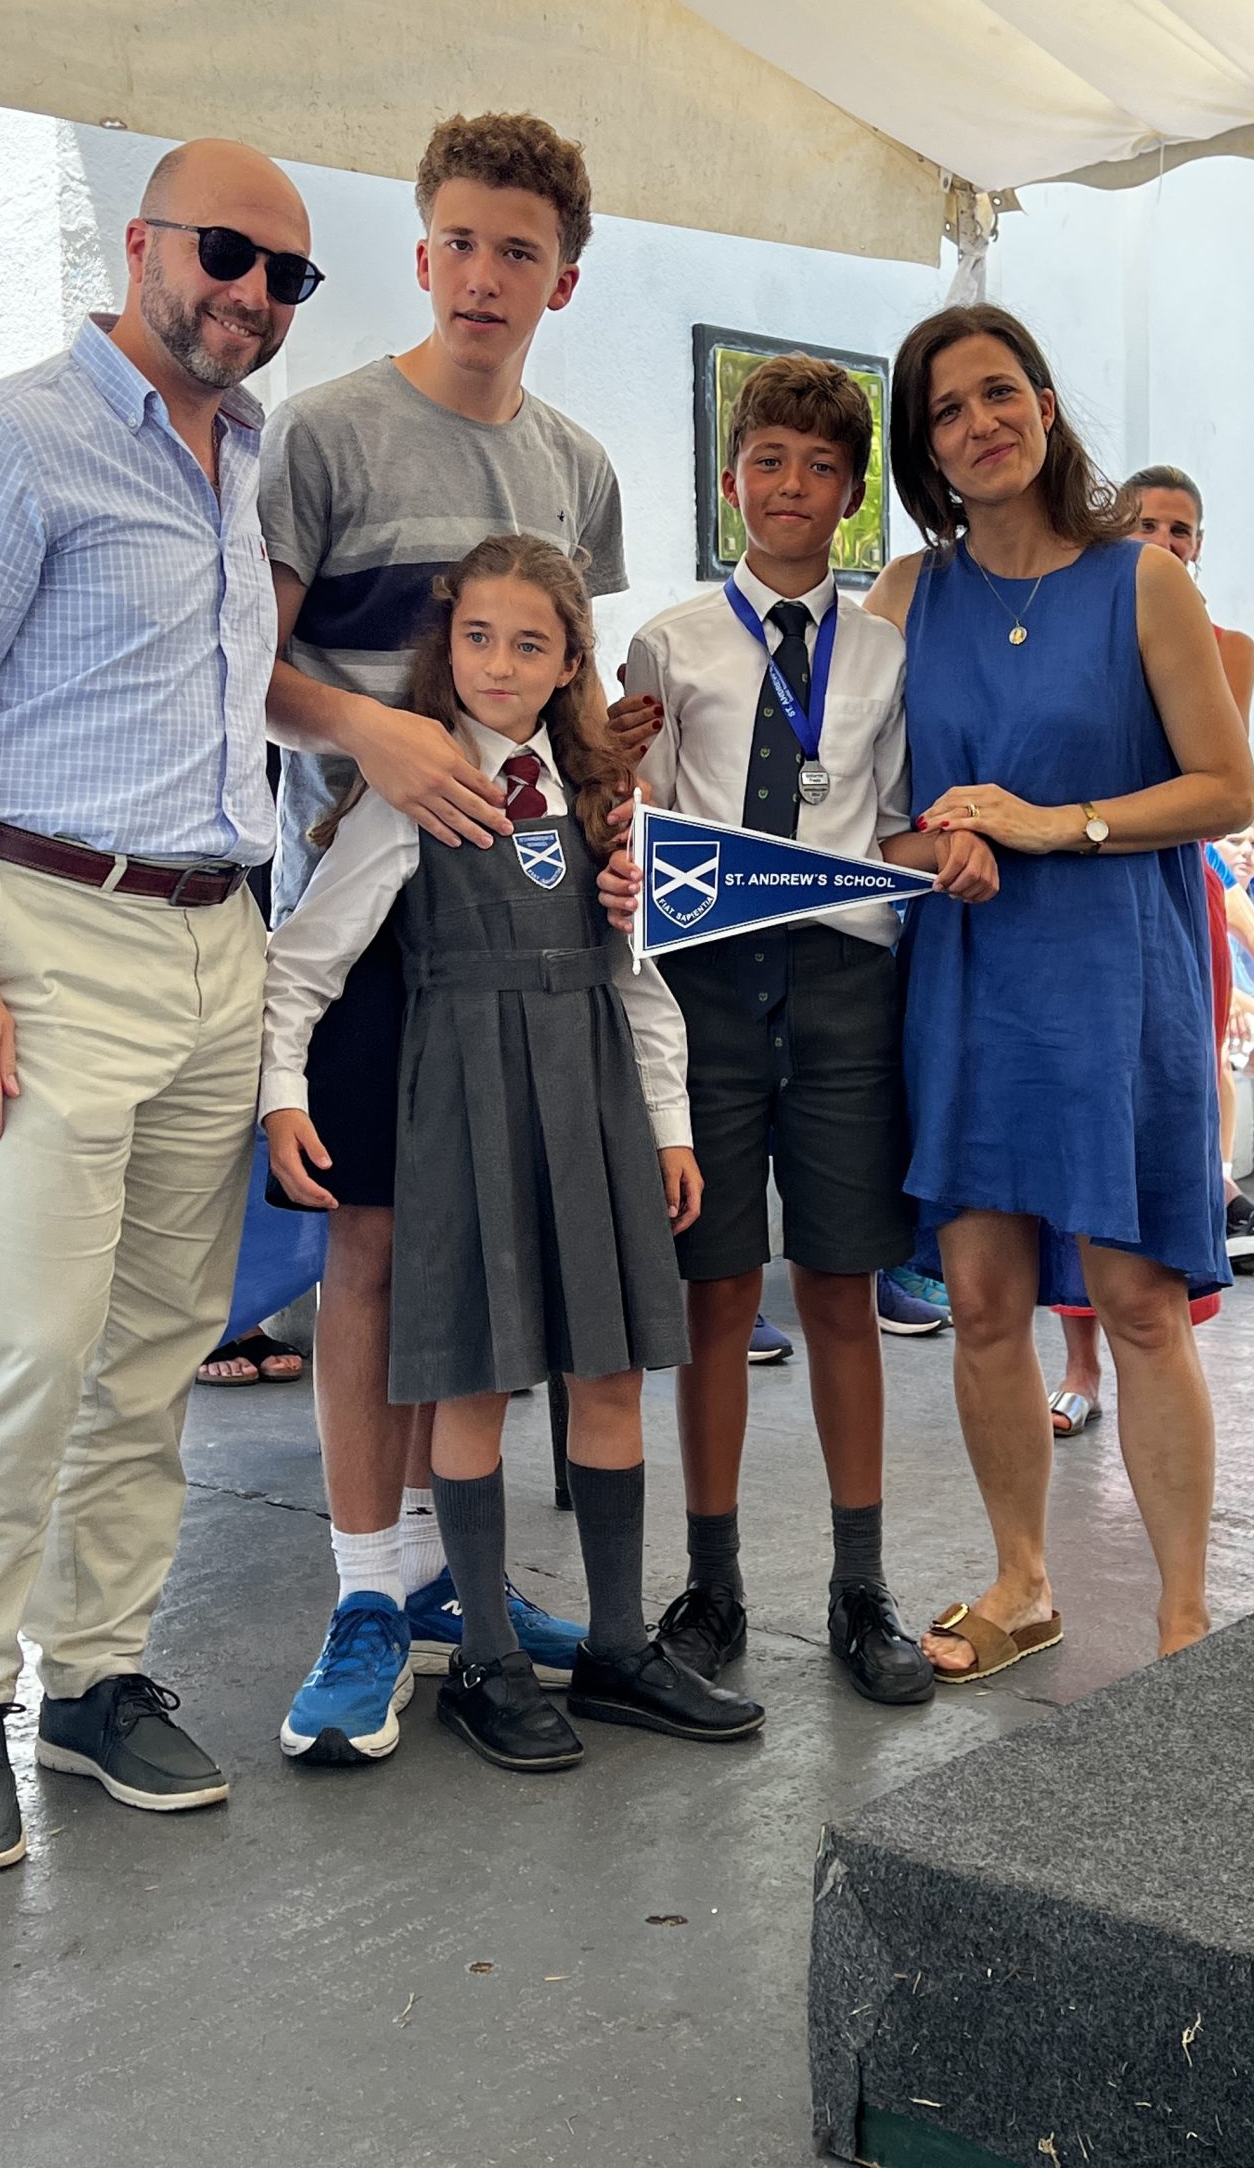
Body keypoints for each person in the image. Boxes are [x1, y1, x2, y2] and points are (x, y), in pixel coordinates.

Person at [0, 139, 318, 1875]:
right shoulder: (12, 441)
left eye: (285, 275)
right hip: (47, 933)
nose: (250, 294)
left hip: (214, 937)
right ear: (146, 241)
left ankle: (92, 1679)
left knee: (160, 1341)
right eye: (225, 252)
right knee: (20, 1340)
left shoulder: (244, 458)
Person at [262, 537, 763, 1769]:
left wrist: (670, 1126)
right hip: (466, 1115)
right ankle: (484, 1656)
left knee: (610, 1373)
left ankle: (617, 1646)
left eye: (530, 642)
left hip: (594, 1113)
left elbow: (639, 980)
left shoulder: (604, 797)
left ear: (571, 660)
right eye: (477, 637)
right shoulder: (413, 789)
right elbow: (306, 960)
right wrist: (281, 1097)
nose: (499, 663)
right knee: (475, 1378)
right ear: (447, 647)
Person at [259, 112, 630, 1756]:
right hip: (368, 924)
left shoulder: (579, 472)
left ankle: (435, 1582)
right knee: (371, 1253)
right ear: (421, 255)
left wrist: (612, 833)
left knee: (468, 1259)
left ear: (564, 278)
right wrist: (380, 737)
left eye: (519, 252)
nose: (484, 276)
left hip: (524, 939)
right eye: (460, 244)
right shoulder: (322, 436)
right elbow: (245, 670)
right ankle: (364, 1590)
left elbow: (577, 702)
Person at [602, 354, 997, 1709]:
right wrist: (608, 781)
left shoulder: (885, 653)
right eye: (768, 461)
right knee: (717, 1292)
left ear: (850, 495)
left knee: (839, 1289)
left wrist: (947, 847)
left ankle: (859, 1584)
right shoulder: (669, 645)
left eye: (821, 467)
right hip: (710, 989)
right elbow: (645, 828)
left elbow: (886, 824)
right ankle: (712, 1585)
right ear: (731, 483)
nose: (791, 486)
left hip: (843, 991)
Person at [868, 305, 1254, 1679]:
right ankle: (1023, 1583)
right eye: (947, 409)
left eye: (999, 392)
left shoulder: (1141, 580)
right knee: (981, 1302)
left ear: (1043, 403)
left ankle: (1184, 1616)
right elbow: (864, 814)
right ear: (925, 449)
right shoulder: (904, 598)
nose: (980, 423)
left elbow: (1226, 787)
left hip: (1115, 977)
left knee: (1138, 1304)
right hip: (968, 977)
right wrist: (935, 847)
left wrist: (1053, 823)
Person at [1045, 467, 1254, 1434]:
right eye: (1148, 523)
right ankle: (1079, 1365)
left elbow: (1210, 785)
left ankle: (1170, 1328)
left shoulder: (1227, 646)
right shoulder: (1071, 626)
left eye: (1183, 528)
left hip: (1172, 895)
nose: (1166, 539)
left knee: (1169, 1109)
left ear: (1199, 546)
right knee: (1081, 1126)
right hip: (1072, 892)